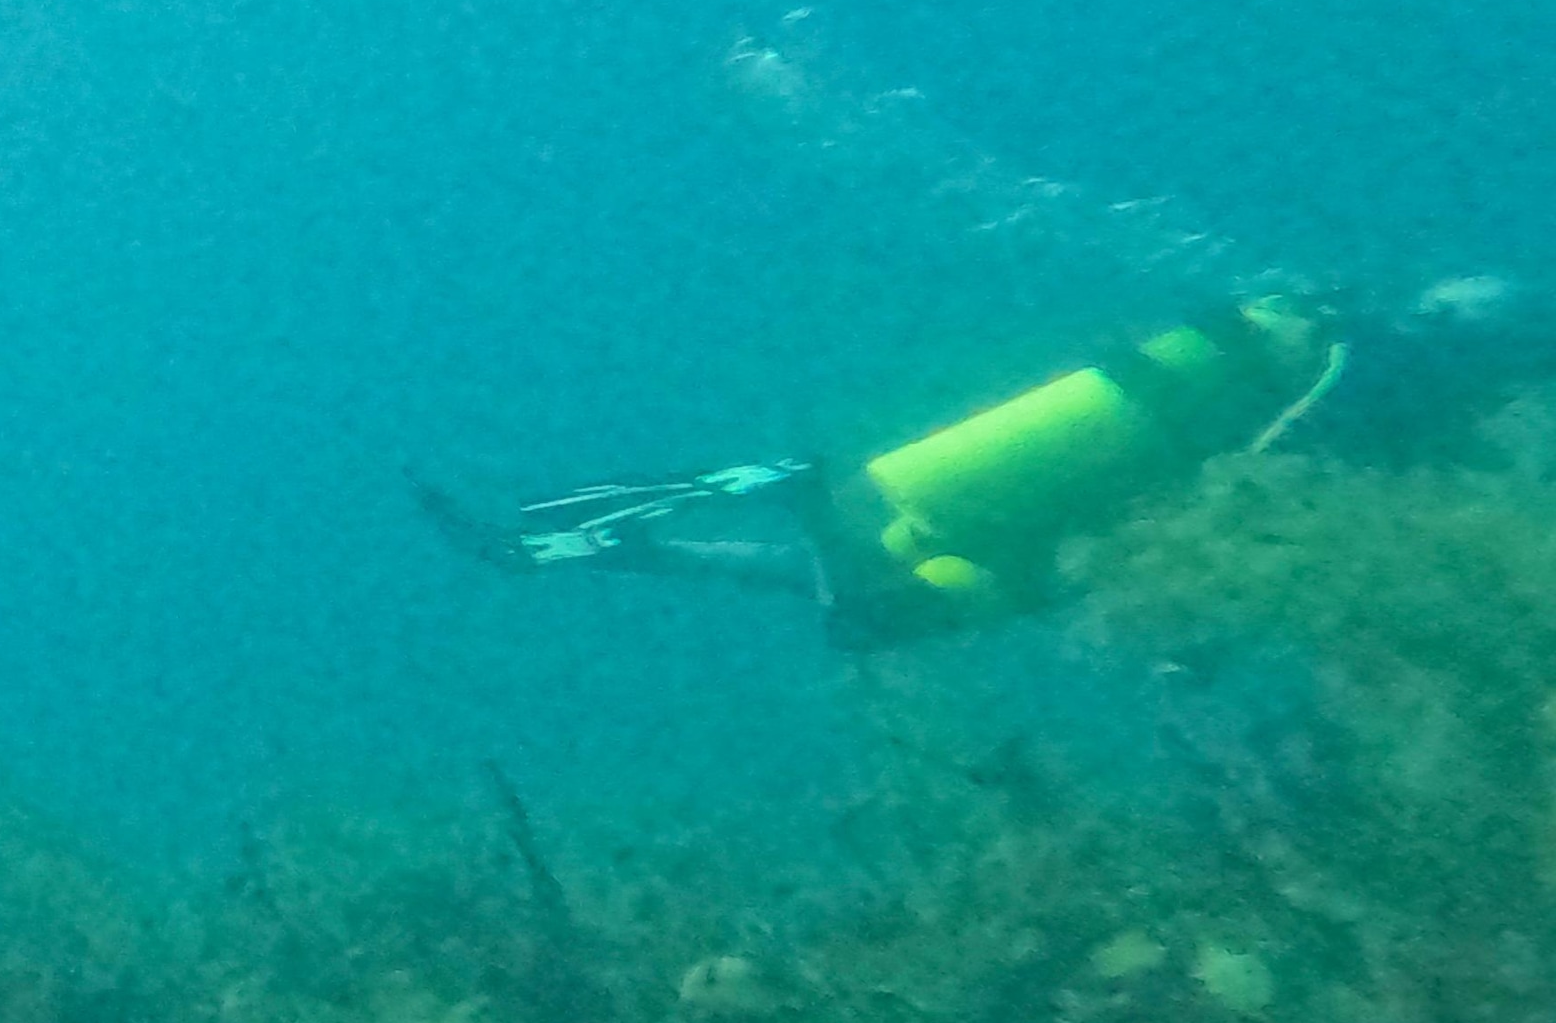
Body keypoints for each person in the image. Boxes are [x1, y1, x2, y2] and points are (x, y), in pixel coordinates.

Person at [419, 274, 1555, 649]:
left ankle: (599, 549)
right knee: (878, 579)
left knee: (883, 586)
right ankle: (726, 503)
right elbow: (1286, 455)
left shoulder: (1386, 363)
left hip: (1109, 493)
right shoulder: (1381, 374)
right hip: (1125, 494)